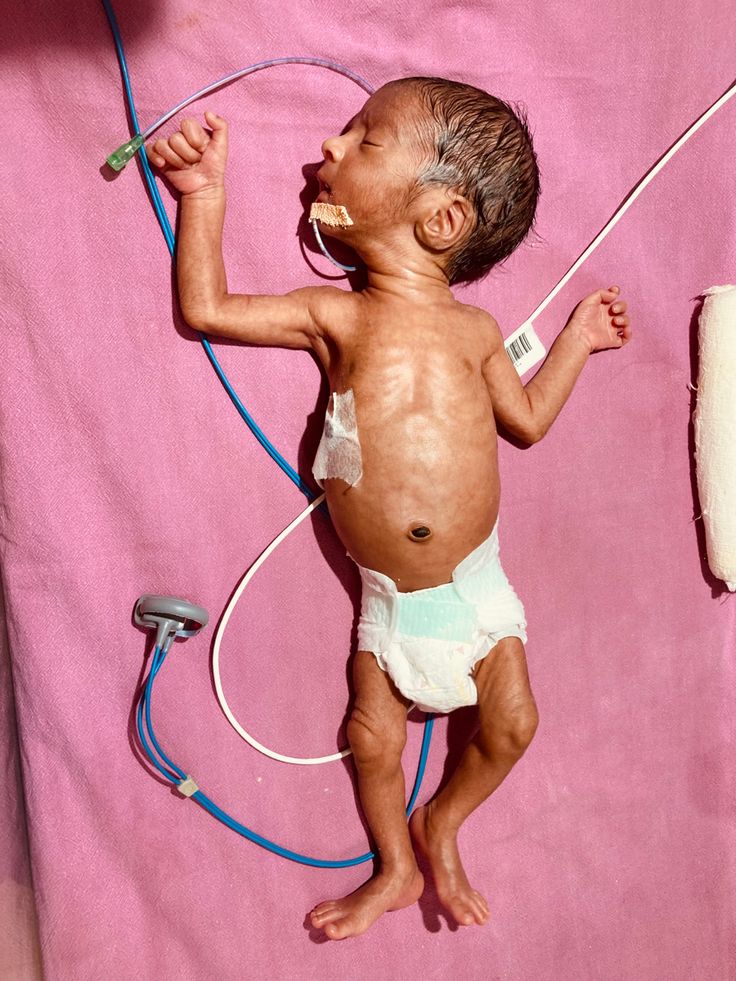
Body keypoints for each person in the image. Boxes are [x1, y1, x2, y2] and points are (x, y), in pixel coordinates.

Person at [146, 76, 631, 940]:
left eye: (364, 141)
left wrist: (576, 343)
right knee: (373, 737)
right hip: (393, 600)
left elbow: (525, 422)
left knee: (516, 722)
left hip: (479, 586)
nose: (328, 149)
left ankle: (443, 820)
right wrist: (203, 195)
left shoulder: (476, 331)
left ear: (441, 219)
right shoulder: (336, 315)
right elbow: (207, 307)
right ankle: (396, 865)